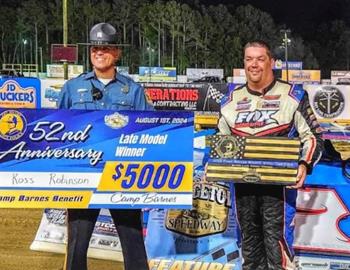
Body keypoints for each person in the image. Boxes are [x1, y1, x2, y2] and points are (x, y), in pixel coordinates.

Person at [217, 40, 323, 270]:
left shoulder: (292, 95)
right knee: (249, 248)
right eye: (248, 59)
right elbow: (220, 142)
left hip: (279, 188)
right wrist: (212, 164)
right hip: (242, 187)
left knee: (278, 248)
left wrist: (305, 164)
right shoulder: (229, 101)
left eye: (260, 59)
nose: (253, 65)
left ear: (271, 62)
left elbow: (314, 137)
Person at [58, 22, 152, 270]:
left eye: (105, 48)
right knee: (76, 243)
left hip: (122, 175)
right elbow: (55, 131)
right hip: (81, 176)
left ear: (117, 53)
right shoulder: (71, 88)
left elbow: (151, 131)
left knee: (133, 241)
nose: (99, 52)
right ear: (89, 52)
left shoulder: (132, 90)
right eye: (94, 48)